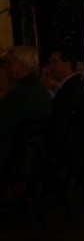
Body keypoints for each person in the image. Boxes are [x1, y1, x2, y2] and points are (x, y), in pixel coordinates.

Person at [0, 46, 52, 183]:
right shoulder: (38, 87)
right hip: (35, 153)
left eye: (9, 62)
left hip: (18, 156)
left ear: (22, 66)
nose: (6, 67)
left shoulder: (19, 93)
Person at [46, 48, 84, 170]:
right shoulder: (76, 85)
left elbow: (59, 126)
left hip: (70, 152)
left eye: (54, 62)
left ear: (67, 65)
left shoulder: (69, 91)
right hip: (79, 150)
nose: (50, 66)